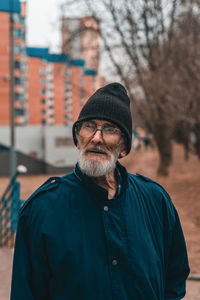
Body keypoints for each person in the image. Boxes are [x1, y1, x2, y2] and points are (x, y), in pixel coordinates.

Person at [10, 83, 190, 300]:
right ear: (78, 138)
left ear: (124, 146)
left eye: (110, 129)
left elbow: (176, 277)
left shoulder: (155, 201)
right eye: (89, 126)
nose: (96, 137)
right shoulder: (41, 209)